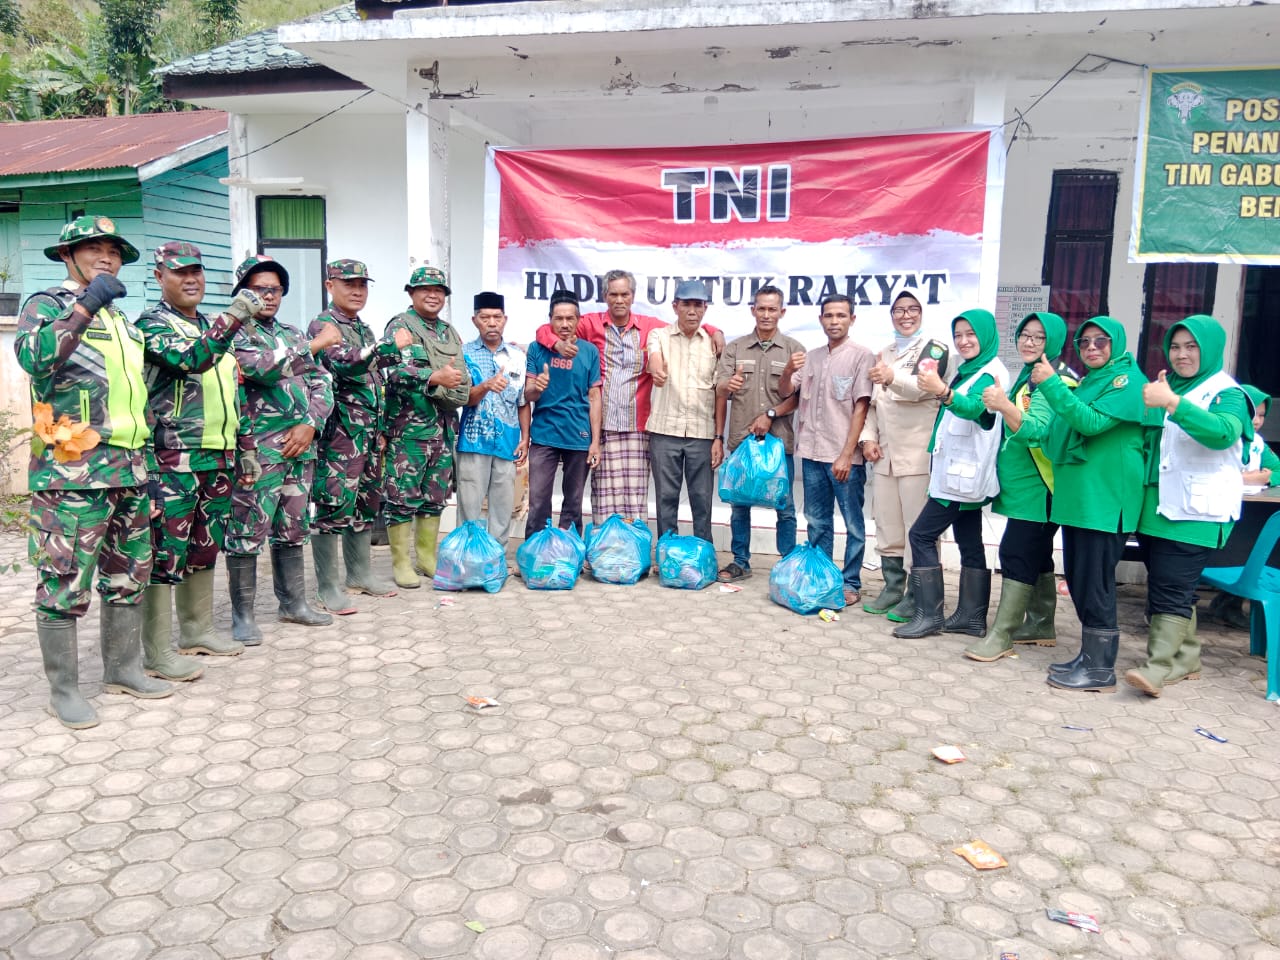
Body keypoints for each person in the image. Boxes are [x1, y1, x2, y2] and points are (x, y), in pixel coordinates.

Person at [16, 215, 172, 728]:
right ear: (66, 255)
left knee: (129, 575)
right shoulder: (47, 305)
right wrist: (86, 304)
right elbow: (35, 359)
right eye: (93, 248)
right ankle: (63, 690)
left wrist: (149, 472)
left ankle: (123, 669)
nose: (106, 257)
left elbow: (136, 401)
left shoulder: (122, 321)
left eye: (114, 251)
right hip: (72, 475)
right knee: (63, 580)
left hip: (129, 469)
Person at [136, 241, 262, 681]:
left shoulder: (212, 325)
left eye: (196, 271)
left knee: (204, 546)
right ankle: (156, 652)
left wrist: (246, 446)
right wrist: (236, 315)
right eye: (179, 272)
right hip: (173, 457)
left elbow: (235, 389)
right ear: (159, 277)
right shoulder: (152, 324)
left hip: (217, 457)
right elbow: (192, 359)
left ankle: (197, 631)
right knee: (164, 552)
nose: (191, 279)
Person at [1010, 317, 1149, 692]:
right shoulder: (1091, 382)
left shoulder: (1127, 381)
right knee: (1079, 579)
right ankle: (1089, 657)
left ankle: (1100, 669)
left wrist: (1051, 384)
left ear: (1116, 342)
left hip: (1104, 501)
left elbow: (1089, 423)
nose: (1091, 347)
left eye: (1101, 341)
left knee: (1096, 584)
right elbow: (1060, 428)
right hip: (1080, 501)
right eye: (1084, 342)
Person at [1125, 316, 1252, 697]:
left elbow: (1223, 433)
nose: (1182, 355)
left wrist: (1173, 403)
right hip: (1159, 508)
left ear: (1210, 349)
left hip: (1198, 511)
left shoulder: (1228, 393)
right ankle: (1187, 657)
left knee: (1171, 588)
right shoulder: (1171, 388)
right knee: (1171, 587)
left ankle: (1159, 667)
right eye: (1176, 347)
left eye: (1192, 347)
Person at [535, 269, 723, 525]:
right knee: (604, 497)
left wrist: (714, 330)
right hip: (602, 426)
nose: (619, 300)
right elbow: (546, 329)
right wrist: (556, 343)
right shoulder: (590, 324)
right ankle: (604, 546)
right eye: (613, 294)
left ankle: (633, 548)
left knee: (634, 499)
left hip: (637, 426)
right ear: (605, 296)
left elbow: (684, 324)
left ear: (633, 296)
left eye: (625, 294)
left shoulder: (649, 327)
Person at [224, 255, 336, 642]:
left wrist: (311, 424)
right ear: (242, 292)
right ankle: (243, 616)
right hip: (258, 450)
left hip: (299, 448)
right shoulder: (233, 333)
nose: (269, 296)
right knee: (247, 529)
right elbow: (261, 368)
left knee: (293, 526)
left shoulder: (291, 333)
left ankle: (293, 603)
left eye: (275, 289)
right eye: (259, 289)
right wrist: (315, 345)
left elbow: (322, 381)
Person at [963, 312, 1079, 662]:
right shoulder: (1032, 376)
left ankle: (1002, 635)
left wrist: (1003, 405)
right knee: (1038, 553)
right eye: (1024, 335)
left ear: (1053, 342)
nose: (1029, 342)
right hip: (1029, 489)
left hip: (1041, 488)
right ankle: (1041, 623)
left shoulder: (1053, 380)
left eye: (1038, 337)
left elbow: (1036, 429)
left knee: (1015, 553)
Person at [892, 309, 1008, 639]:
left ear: (986, 335)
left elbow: (974, 408)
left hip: (961, 478)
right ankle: (971, 618)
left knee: (920, 535)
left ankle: (928, 615)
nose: (963, 341)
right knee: (969, 541)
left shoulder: (989, 373)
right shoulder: (970, 369)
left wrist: (943, 391)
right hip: (960, 473)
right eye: (958, 335)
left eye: (971, 334)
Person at [308, 259, 407, 615]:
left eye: (362, 284)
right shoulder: (323, 325)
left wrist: (382, 430)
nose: (356, 290)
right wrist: (387, 347)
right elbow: (345, 363)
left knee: (366, 503)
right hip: (341, 435)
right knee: (333, 506)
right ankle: (328, 587)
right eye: (348, 283)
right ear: (329, 285)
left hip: (369, 434)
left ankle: (359, 574)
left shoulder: (363, 328)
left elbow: (376, 378)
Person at [859, 290, 952, 619]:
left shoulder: (934, 348)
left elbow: (922, 388)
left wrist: (892, 377)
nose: (905, 315)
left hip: (916, 455)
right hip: (885, 456)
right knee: (887, 525)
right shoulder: (884, 352)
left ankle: (919, 594)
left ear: (922, 313)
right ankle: (892, 587)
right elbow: (875, 404)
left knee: (917, 527)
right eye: (899, 310)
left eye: (912, 309)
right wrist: (867, 438)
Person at [779, 294, 875, 606]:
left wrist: (847, 454)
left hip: (843, 456)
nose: (834, 321)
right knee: (817, 521)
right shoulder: (812, 357)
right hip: (811, 453)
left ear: (852, 319)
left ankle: (850, 582)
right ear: (821, 319)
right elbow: (786, 391)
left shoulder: (862, 356)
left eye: (841, 315)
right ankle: (822, 578)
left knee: (853, 524)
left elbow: (861, 407)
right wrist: (786, 371)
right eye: (829, 316)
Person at [382, 266, 471, 587]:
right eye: (425, 289)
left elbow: (460, 371)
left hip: (443, 427)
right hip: (409, 429)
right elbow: (392, 371)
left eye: (439, 291)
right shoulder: (400, 326)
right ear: (411, 293)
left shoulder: (449, 331)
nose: (433, 295)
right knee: (402, 496)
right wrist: (433, 377)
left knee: (435, 496)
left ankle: (426, 558)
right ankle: (401, 563)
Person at [714, 285, 803, 582]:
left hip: (778, 443)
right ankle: (740, 561)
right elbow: (720, 388)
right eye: (761, 308)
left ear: (782, 312)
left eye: (772, 309)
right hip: (743, 442)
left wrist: (770, 415)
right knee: (739, 505)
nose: (766, 314)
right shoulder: (736, 348)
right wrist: (728, 384)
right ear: (753, 310)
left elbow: (799, 397)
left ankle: (787, 564)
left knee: (784, 506)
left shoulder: (794, 350)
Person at [646, 279, 721, 542]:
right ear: (675, 306)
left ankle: (704, 553)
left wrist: (718, 437)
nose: (692, 311)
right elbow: (654, 357)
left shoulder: (713, 343)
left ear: (705, 308)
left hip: (702, 432)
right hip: (665, 430)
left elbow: (720, 393)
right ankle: (668, 551)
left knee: (702, 499)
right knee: (666, 498)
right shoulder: (659, 336)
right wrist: (657, 369)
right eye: (686, 304)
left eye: (698, 305)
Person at [525, 291, 602, 535]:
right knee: (538, 501)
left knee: (573, 503)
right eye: (559, 318)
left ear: (579, 320)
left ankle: (568, 551)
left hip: (578, 435)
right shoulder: (536, 349)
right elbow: (528, 394)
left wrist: (595, 442)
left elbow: (594, 397)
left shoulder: (590, 351)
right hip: (543, 434)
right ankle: (535, 550)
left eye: (570, 318)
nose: (565, 324)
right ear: (550, 319)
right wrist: (537, 388)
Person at [458, 291, 529, 545]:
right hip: (473, 441)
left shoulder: (517, 356)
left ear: (505, 320)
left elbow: (523, 401)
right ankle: (468, 554)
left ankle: (496, 555)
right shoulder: (463, 354)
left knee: (502, 506)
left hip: (507, 442)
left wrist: (525, 438)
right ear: (474, 320)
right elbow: (463, 398)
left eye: (497, 317)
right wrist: (486, 385)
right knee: (469, 506)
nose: (491, 323)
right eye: (485, 317)